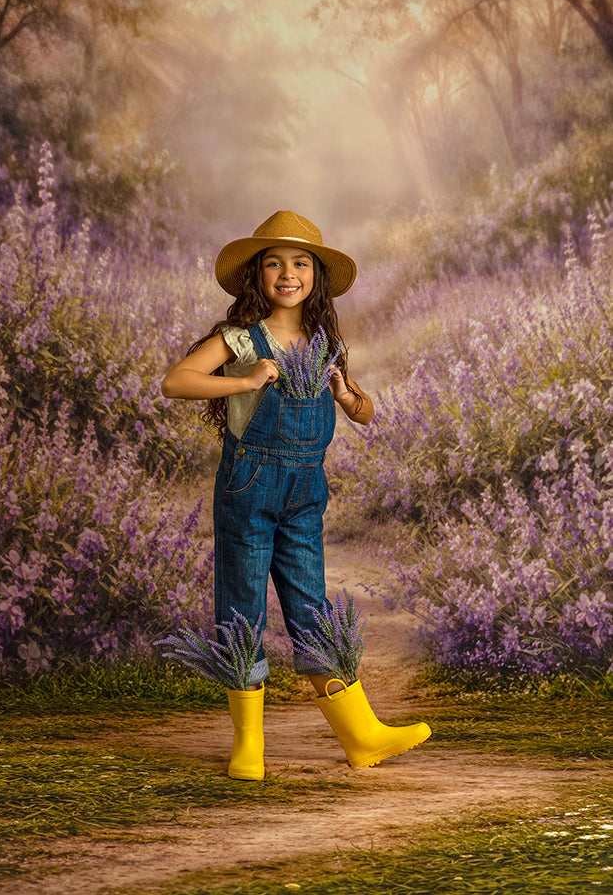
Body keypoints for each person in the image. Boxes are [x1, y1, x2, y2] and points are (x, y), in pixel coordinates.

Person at [161, 210, 431, 779]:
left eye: (301, 263)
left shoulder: (324, 341)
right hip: (250, 483)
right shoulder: (238, 339)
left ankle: (360, 735)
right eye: (275, 263)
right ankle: (248, 747)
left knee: (312, 605)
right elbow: (176, 381)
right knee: (243, 606)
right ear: (257, 275)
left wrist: (344, 390)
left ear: (317, 275)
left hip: (307, 489)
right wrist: (245, 377)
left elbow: (366, 411)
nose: (288, 274)